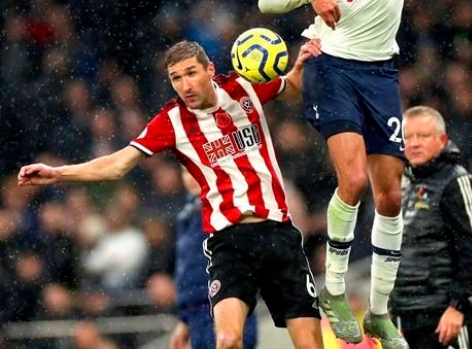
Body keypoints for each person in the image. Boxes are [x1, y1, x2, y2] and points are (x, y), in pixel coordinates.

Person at [18, 39, 325, 349]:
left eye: (191, 73)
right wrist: (59, 174)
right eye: (176, 78)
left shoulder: (243, 87)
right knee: (229, 340)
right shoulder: (172, 121)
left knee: (310, 344)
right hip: (228, 241)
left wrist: (299, 66)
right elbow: (117, 165)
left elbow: (292, 88)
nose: (185, 84)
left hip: (278, 233)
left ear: (209, 70)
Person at [257, 1, 408, 349]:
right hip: (331, 67)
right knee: (354, 180)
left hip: (380, 72)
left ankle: (379, 312)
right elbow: (267, 3)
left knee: (390, 196)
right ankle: (335, 289)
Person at [389, 106, 472, 349]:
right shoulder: (400, 184)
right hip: (405, 319)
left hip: (443, 318)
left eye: (423, 136)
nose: (414, 143)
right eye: (408, 137)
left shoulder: (456, 183)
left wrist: (458, 308)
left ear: (442, 140)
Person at [169, 167, 258, 349]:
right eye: (186, 172)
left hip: (227, 306)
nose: (192, 178)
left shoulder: (228, 209)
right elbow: (187, 272)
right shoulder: (186, 215)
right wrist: (185, 319)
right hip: (198, 314)